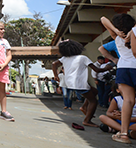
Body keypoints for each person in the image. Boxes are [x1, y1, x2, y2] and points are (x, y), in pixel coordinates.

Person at [52, 40, 111, 128]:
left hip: (71, 83)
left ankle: (84, 108)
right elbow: (97, 70)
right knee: (93, 101)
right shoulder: (83, 58)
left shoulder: (64, 58)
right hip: (79, 83)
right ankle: (87, 120)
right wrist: (107, 68)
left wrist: (56, 76)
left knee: (95, 91)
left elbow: (54, 64)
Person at [101, 14, 136, 144]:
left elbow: (103, 19)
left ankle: (124, 134)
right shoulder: (134, 33)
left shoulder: (117, 37)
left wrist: (116, 31)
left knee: (128, 100)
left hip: (124, 68)